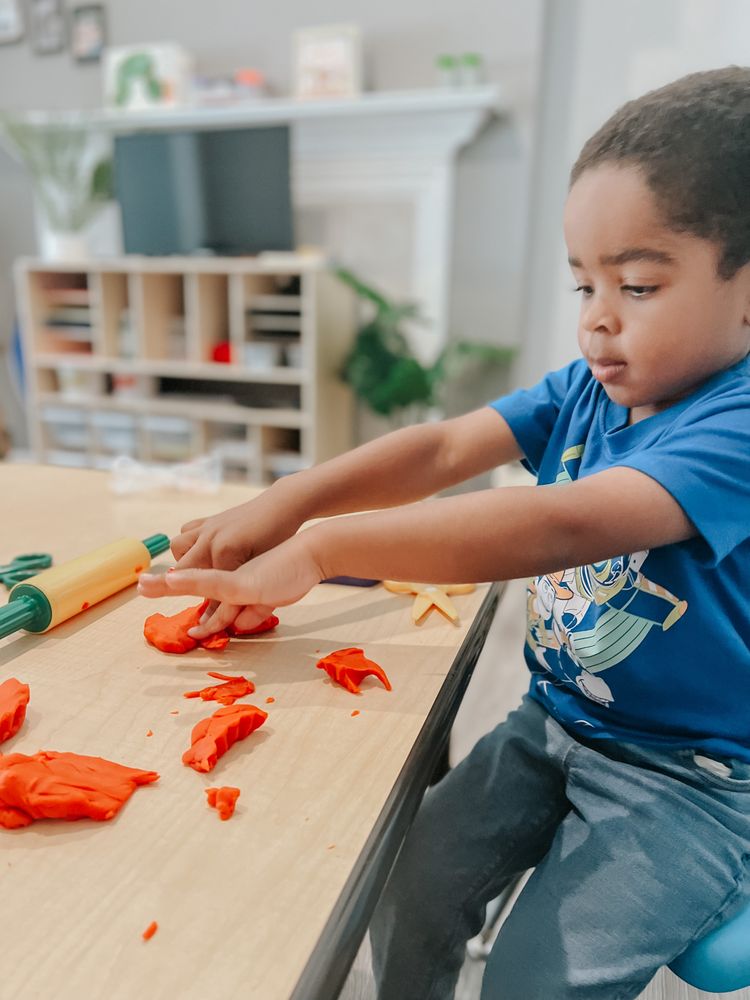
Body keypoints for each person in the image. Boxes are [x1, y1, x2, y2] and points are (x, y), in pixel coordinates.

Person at [138, 67, 750, 999]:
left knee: (535, 980)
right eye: (583, 282)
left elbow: (560, 524)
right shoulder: (597, 380)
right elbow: (445, 445)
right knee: (409, 884)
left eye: (636, 283)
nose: (596, 318)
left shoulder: (737, 421)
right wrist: (293, 498)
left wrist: (326, 549)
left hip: (691, 780)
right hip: (558, 721)